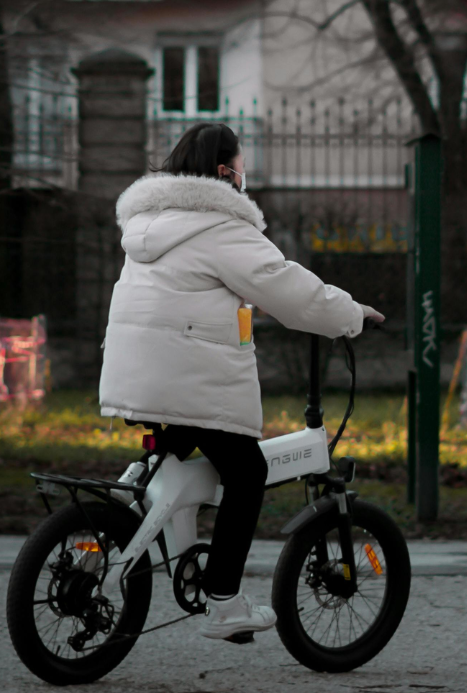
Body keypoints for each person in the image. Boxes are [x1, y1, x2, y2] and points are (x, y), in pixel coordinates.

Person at [99, 123, 384, 641]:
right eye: (242, 163)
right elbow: (289, 290)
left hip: (133, 370)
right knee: (246, 471)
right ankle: (224, 600)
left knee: (181, 451)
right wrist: (351, 315)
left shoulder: (150, 223)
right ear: (225, 170)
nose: (245, 173)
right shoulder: (220, 226)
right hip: (184, 375)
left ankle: (146, 517)